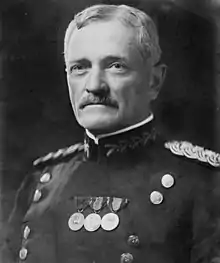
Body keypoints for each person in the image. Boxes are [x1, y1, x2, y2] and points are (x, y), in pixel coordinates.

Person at [2, 4, 220, 263]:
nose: (94, 86)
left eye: (116, 66)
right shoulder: (41, 181)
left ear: (154, 82)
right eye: (79, 68)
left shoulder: (202, 183)